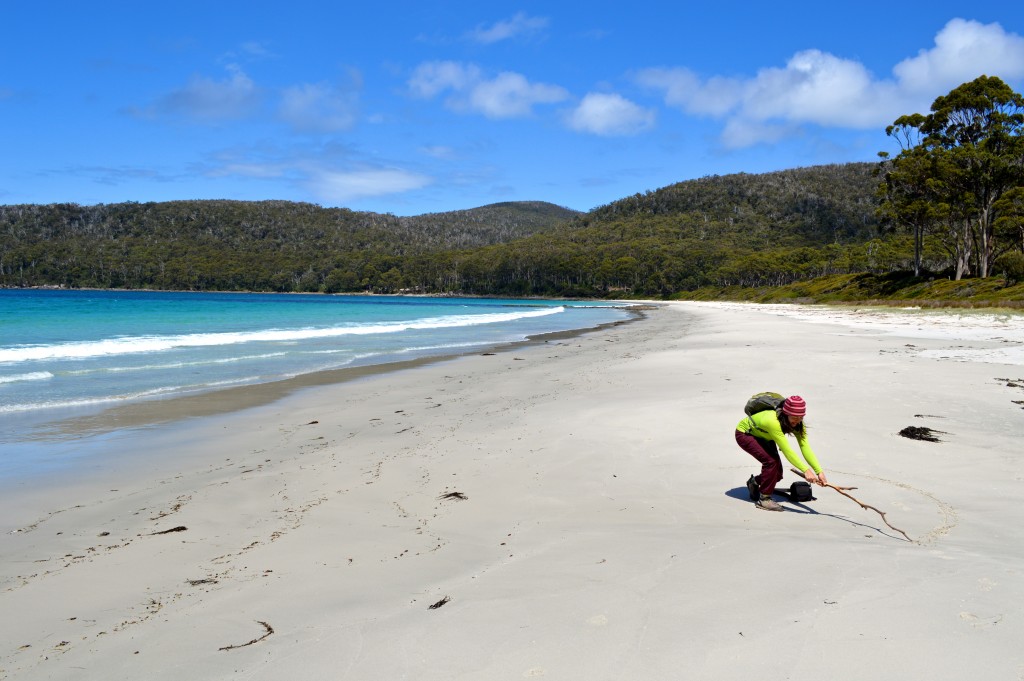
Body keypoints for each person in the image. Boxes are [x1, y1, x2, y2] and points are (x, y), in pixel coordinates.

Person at [735, 395, 828, 511]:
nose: (797, 420)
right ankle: (764, 499)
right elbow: (787, 451)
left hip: (765, 436)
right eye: (794, 417)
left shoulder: (798, 424)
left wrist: (819, 471)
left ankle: (753, 483)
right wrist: (806, 470)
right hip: (745, 434)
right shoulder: (773, 422)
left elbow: (805, 447)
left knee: (777, 474)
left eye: (801, 417)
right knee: (771, 462)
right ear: (786, 413)